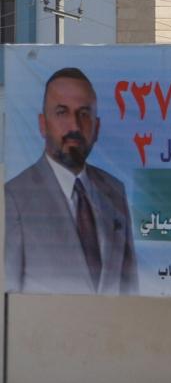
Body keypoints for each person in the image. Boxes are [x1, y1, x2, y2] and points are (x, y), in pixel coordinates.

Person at [5, 67, 138, 296]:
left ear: (97, 128)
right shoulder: (14, 197)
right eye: (62, 112)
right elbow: (7, 298)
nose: (75, 126)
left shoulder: (115, 191)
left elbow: (131, 292)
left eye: (84, 114)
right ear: (42, 124)